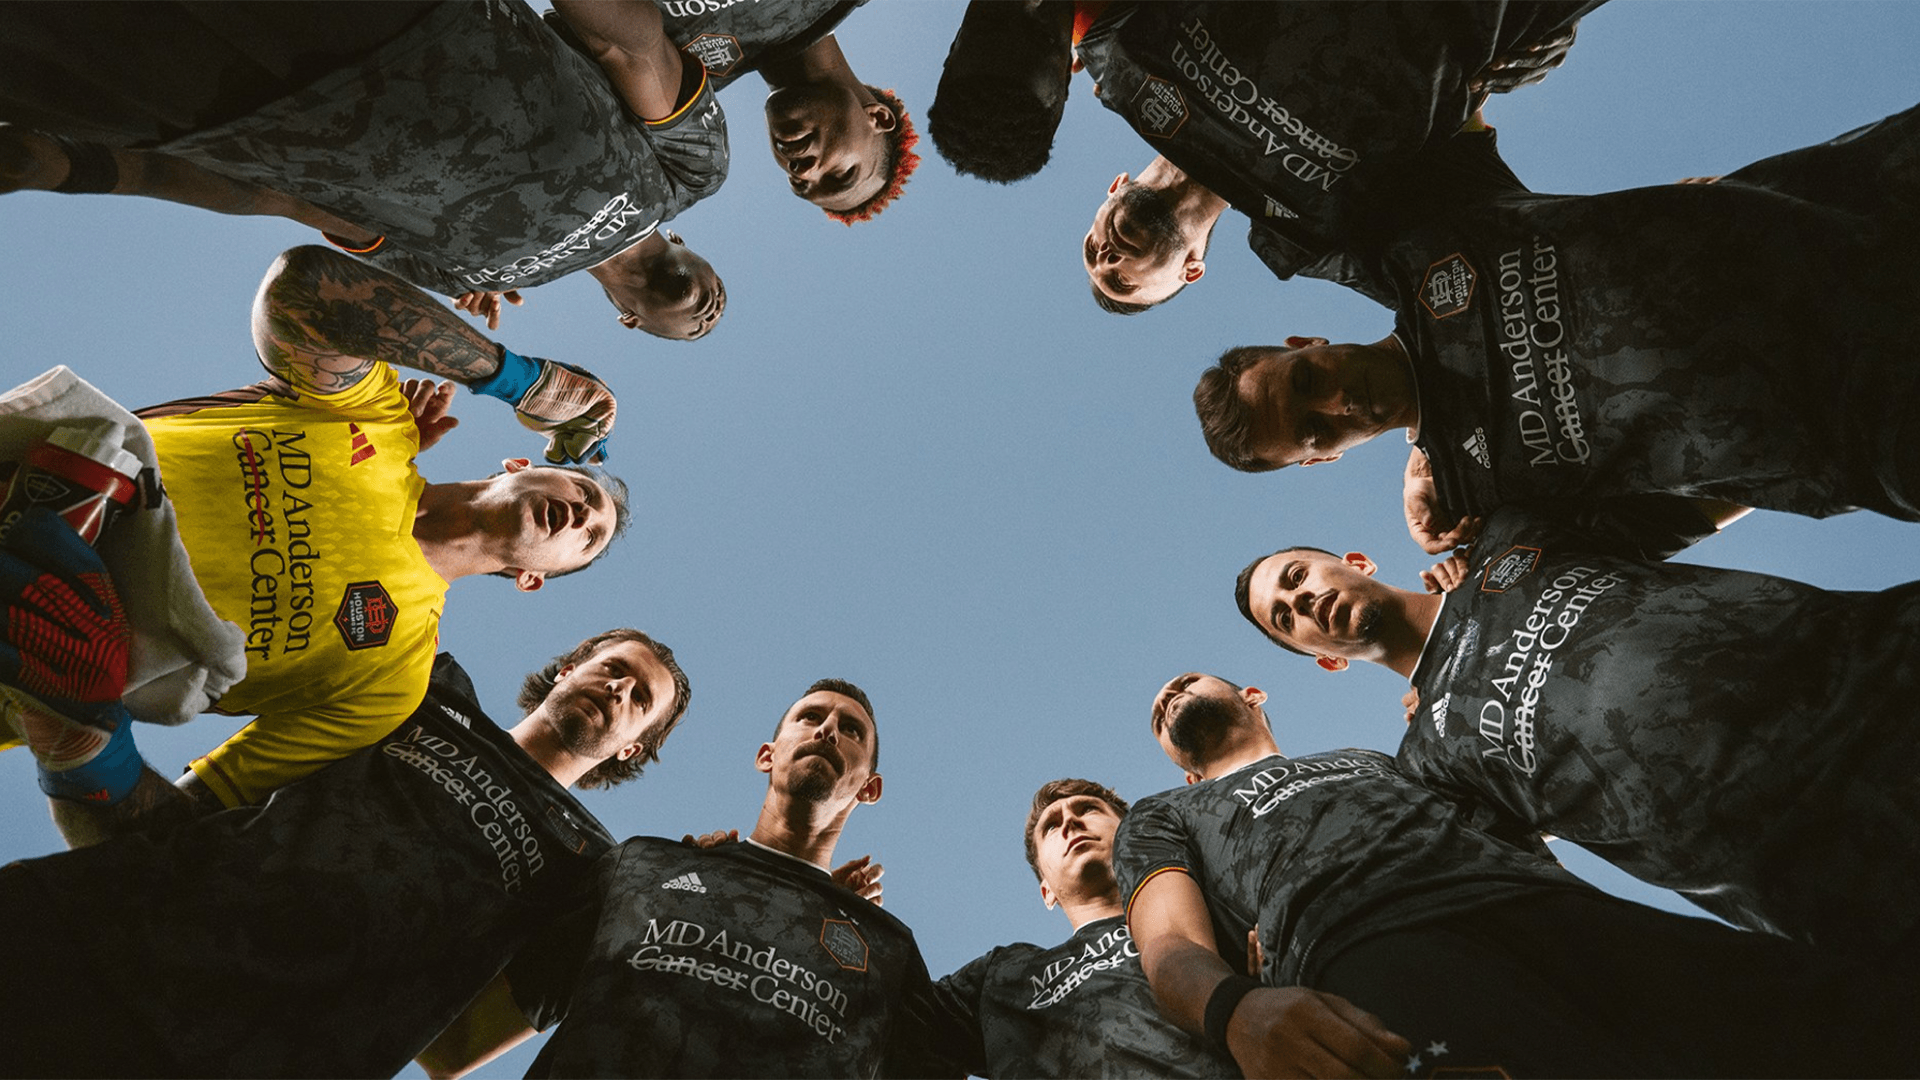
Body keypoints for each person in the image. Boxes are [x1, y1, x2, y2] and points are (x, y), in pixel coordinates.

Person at [5, 243, 631, 822]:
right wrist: (528, 381)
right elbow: (303, 287)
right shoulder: (378, 418)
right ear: (521, 465)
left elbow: (196, 836)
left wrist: (88, 746)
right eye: (584, 492)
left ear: (532, 580)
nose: (582, 515)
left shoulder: (393, 681)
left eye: (591, 537)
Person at [1118, 670, 1916, 1078]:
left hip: (1551, 909)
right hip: (1369, 948)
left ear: (1253, 695)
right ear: (1181, 771)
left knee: (1829, 1021)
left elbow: (1513, 823)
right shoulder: (1166, 814)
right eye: (1159, 710)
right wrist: (1234, 1013)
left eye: (1185, 680)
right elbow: (1167, 943)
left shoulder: (1368, 759)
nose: (1169, 697)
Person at [1192, 103, 1920, 547]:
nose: (1336, 405)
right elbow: (1669, 525)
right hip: (1876, 412)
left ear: (1304, 343)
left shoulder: (1420, 241)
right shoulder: (1482, 501)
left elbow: (1436, 85)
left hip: (1858, 209)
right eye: (1314, 432)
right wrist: (1820, 463)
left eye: (1308, 381)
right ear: (1323, 460)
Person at [0, 624, 691, 1078]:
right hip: (111, 928)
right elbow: (217, 782)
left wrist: (676, 896)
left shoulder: (595, 871)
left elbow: (453, 1052)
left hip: (248, 1055)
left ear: (634, 748)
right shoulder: (428, 688)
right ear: (571, 667)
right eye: (612, 668)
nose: (618, 689)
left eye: (640, 699)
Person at [1232, 512, 1920, 962]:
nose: (1301, 602)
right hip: (1848, 879)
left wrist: (1429, 456)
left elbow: (1704, 486)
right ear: (1326, 658)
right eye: (1286, 619)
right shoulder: (1430, 763)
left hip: (1889, 678)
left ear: (1352, 558)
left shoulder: (1511, 540)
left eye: (1295, 579)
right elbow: (1522, 902)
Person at [0, 0, 729, 340]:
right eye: (720, 301)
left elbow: (293, 202)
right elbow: (628, 48)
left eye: (697, 333)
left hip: (216, 108)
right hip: (398, 23)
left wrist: (78, 169)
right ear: (698, 254)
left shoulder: (468, 277)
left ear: (628, 321)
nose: (709, 316)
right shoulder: (686, 175)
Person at [420, 679, 962, 1078]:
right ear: (765, 756)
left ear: (869, 788)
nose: (828, 730)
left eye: (851, 731)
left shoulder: (887, 952)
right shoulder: (641, 868)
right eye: (811, 717)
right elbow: (455, 1047)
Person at [935, 777, 1239, 1078]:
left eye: (1088, 809)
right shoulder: (1002, 980)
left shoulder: (1218, 909)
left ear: (1131, 838)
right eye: (1051, 826)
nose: (1069, 822)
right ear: (1046, 891)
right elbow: (900, 1010)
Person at [617, 0, 920, 223]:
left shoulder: (680, 77)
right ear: (878, 117)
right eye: (841, 175)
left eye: (799, 185)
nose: (803, 171)